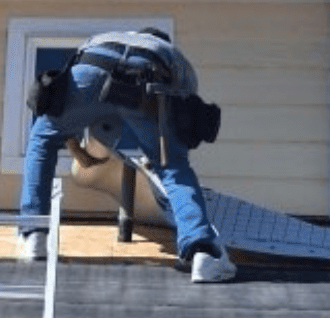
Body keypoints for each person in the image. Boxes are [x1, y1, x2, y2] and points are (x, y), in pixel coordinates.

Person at [18, 28, 236, 283]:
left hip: (89, 69)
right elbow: (184, 114)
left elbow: (59, 98)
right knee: (173, 167)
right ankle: (202, 253)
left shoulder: (104, 38)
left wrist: (75, 147)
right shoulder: (171, 54)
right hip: (149, 81)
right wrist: (168, 153)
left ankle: (34, 235)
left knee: (42, 141)